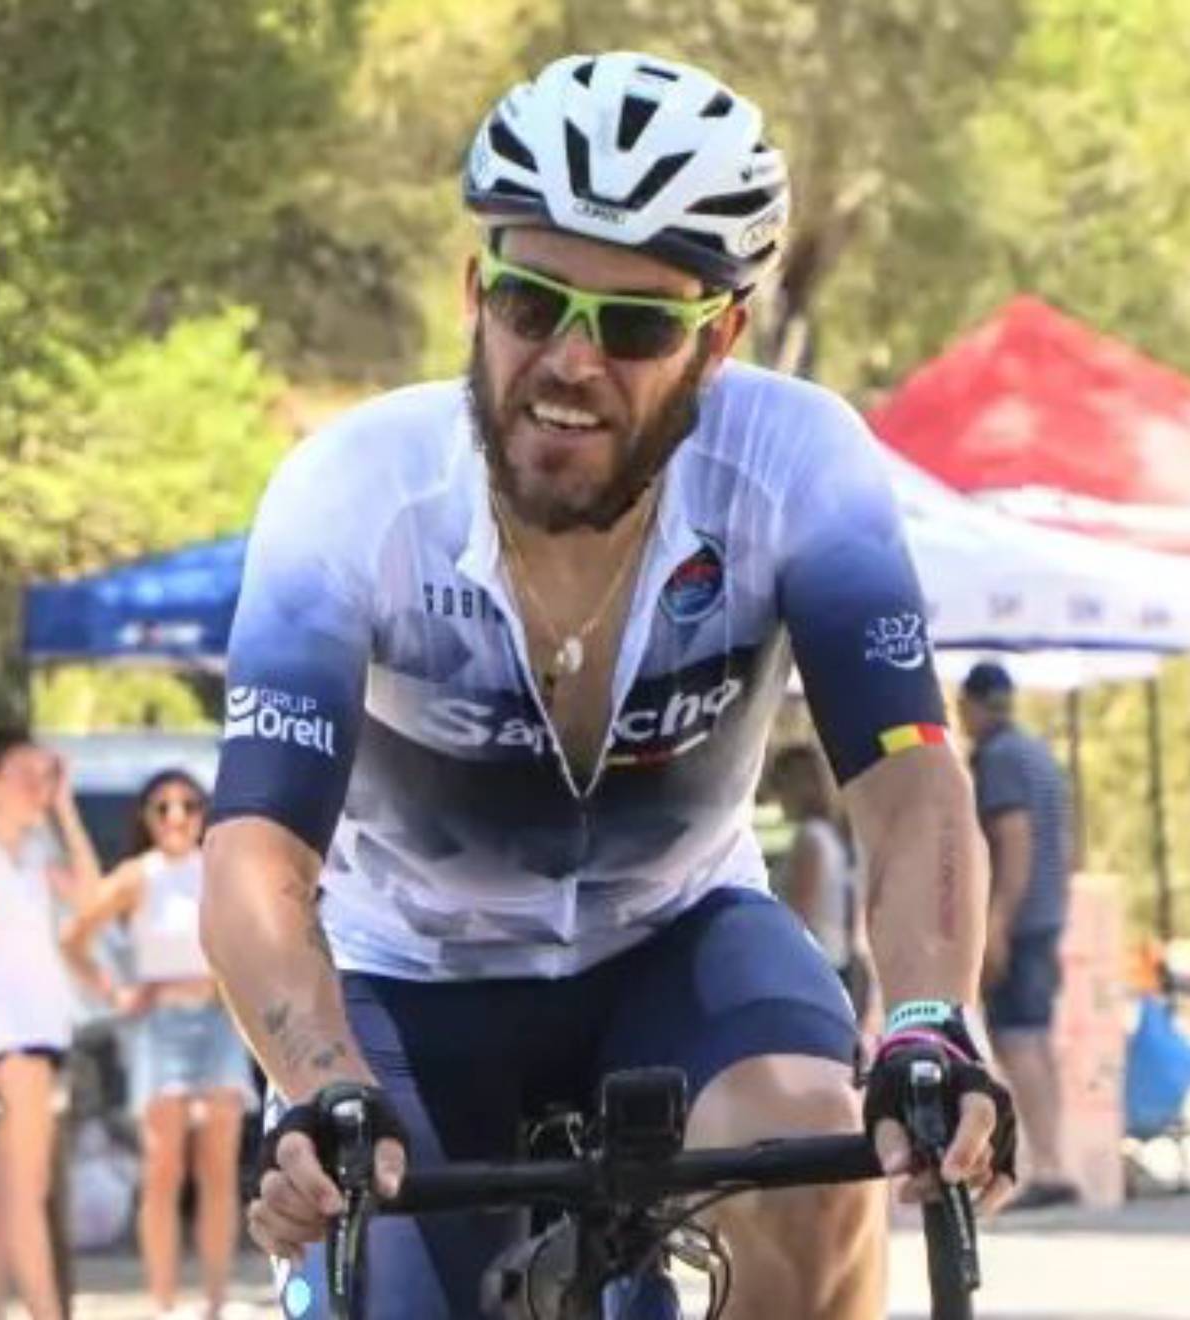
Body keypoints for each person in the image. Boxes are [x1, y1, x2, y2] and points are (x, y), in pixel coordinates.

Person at [200, 51, 1020, 1320]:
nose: (571, 363)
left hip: (674, 939)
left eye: (636, 326)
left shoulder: (801, 466)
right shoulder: (352, 494)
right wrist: (317, 1079)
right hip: (407, 969)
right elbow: (256, 850)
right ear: (477, 295)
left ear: (721, 339)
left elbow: (910, 780)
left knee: (819, 1150)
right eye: (535, 305)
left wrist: (927, 1017)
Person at [62, 770, 256, 1320]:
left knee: (218, 1165)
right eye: (162, 807)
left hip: (217, 1019)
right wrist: (113, 990)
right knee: (163, 1165)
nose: (176, 817)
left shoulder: (218, 872)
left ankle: (214, 1301)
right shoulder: (136, 875)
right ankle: (164, 1301)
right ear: (146, 818)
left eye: (188, 806)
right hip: (159, 1020)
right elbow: (75, 936)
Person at [0, 728, 101, 1320]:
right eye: (23, 776)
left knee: (0, 1197)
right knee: (24, 1195)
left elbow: (90, 897)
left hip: (41, 1034)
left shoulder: (32, 857)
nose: (37, 787)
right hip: (7, 1042)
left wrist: (65, 808)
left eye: (43, 774)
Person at [957, 660, 1080, 1209]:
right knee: (1036, 1037)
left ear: (973, 706)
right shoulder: (1036, 752)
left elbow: (1014, 837)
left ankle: (1050, 1165)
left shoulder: (1000, 758)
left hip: (1021, 915)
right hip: (1048, 911)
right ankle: (1057, 1157)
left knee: (1018, 1037)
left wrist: (997, 921)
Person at [768, 744, 878, 1032]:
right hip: (847, 962)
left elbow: (799, 918)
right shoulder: (845, 838)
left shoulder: (811, 838)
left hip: (816, 967)